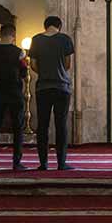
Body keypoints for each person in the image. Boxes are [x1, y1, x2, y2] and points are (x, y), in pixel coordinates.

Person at [28, 16, 75, 171]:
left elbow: (33, 65)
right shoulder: (65, 39)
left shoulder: (36, 40)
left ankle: (43, 163)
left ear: (45, 26)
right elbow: (68, 64)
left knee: (43, 125)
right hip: (62, 87)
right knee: (61, 125)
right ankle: (61, 163)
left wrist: (45, 72)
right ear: (59, 26)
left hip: (43, 87)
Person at [0, 23, 28, 171]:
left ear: (0, 35)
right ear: (13, 36)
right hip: (15, 92)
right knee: (18, 128)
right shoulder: (19, 52)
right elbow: (24, 72)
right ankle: (16, 163)